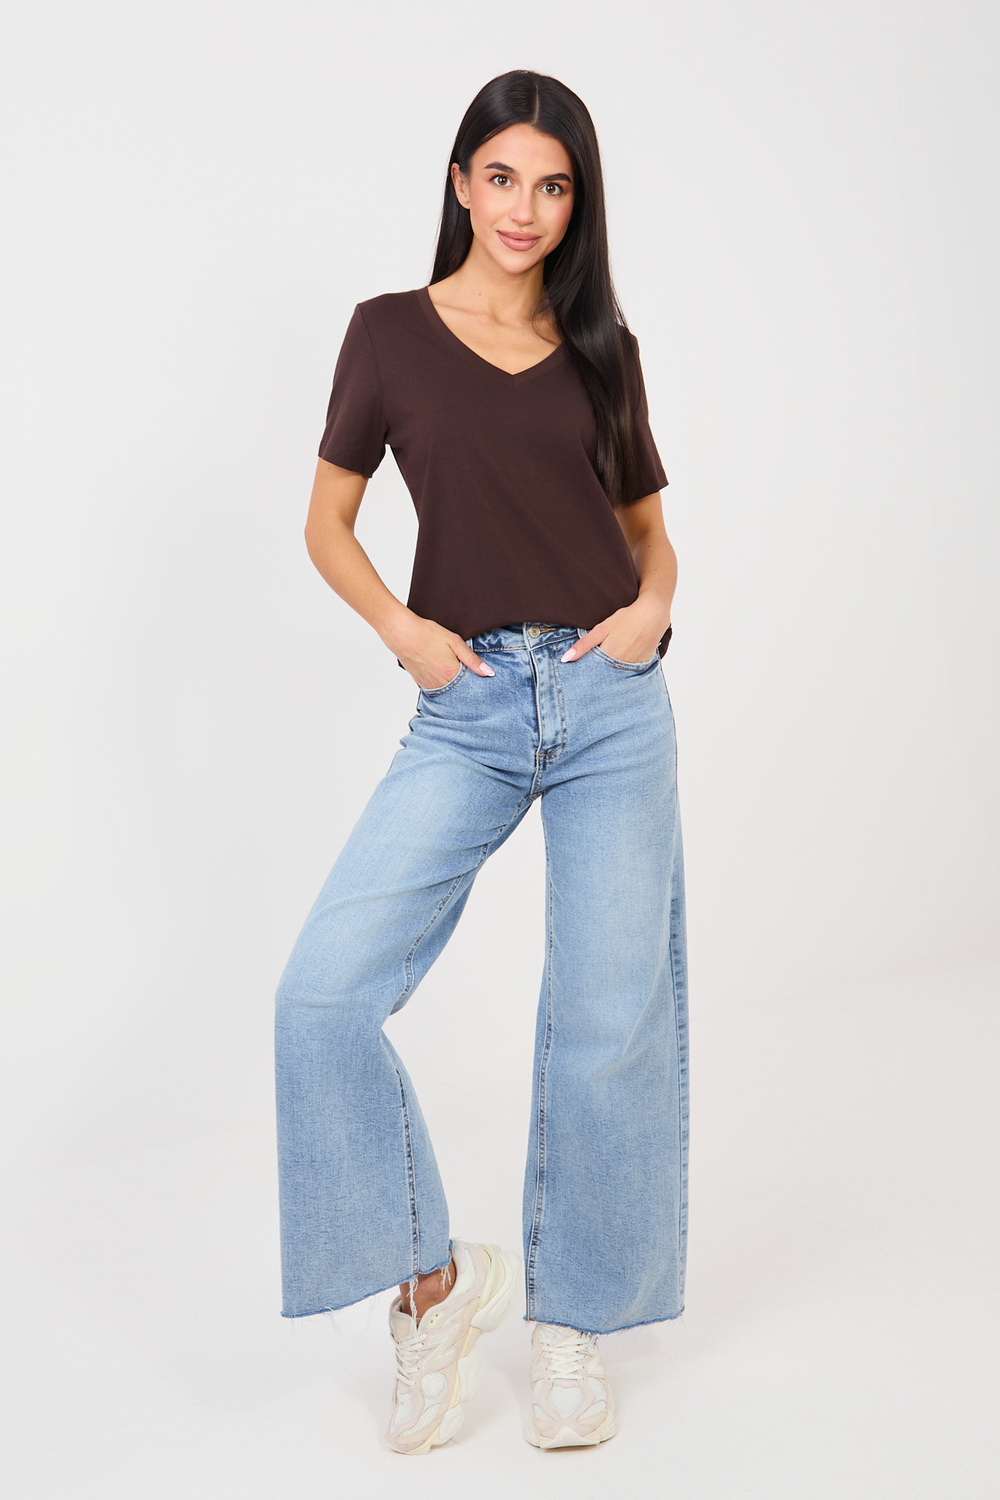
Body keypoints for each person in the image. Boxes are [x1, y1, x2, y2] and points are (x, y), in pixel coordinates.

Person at [274, 68, 689, 1455]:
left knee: (607, 1017)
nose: (525, 208)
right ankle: (435, 1288)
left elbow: (650, 534)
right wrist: (408, 636)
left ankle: (574, 1326)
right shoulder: (389, 333)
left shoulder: (601, 347)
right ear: (460, 183)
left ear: (578, 205)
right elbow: (327, 525)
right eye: (502, 177)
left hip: (610, 700)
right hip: (469, 702)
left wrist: (650, 612)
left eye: (553, 186)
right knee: (321, 998)